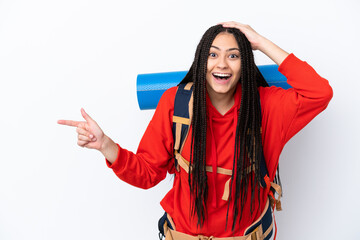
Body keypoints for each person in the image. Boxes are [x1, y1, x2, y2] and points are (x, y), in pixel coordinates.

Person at [58, 22, 333, 239]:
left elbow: (319, 92)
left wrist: (260, 42)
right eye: (213, 54)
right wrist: (106, 144)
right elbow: (147, 173)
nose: (222, 64)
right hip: (181, 234)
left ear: (245, 64)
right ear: (202, 61)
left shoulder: (268, 106)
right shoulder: (176, 104)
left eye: (234, 56)